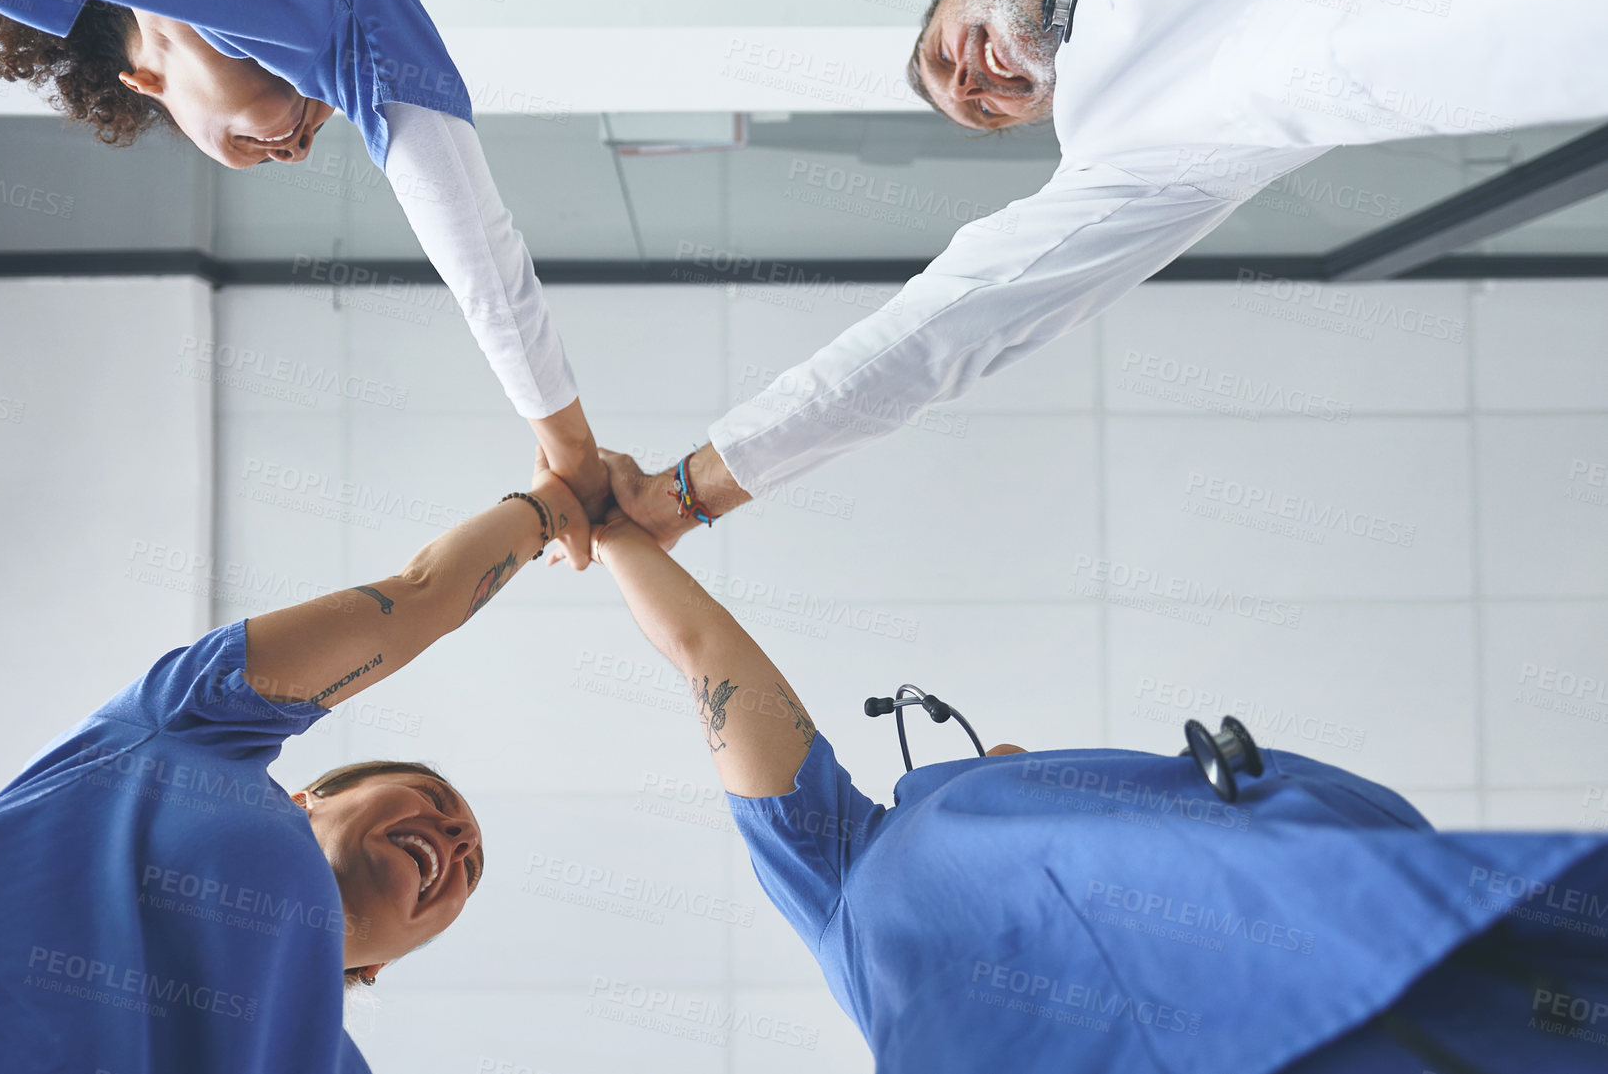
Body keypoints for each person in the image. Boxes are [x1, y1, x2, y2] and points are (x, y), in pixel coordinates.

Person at [582, 450, 1608, 1074]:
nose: (1013, 763)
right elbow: (708, 658)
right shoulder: (839, 866)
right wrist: (612, 532)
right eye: (998, 767)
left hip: (1320, 938)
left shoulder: (894, 882)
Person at [605, 0, 1608, 548]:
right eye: (984, 112)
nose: (975, 83)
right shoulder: (1135, 139)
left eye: (948, 51)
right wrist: (686, 495)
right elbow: (939, 329)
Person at [0, 0, 608, 551]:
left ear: (144, 80)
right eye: (321, 121)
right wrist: (573, 454)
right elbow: (477, 250)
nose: (299, 145)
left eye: (269, 148)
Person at [0, 454, 588, 1073]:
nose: (459, 840)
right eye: (430, 797)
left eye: (470, 865)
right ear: (308, 796)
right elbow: (419, 595)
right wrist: (552, 507)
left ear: (377, 967)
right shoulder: (195, 731)